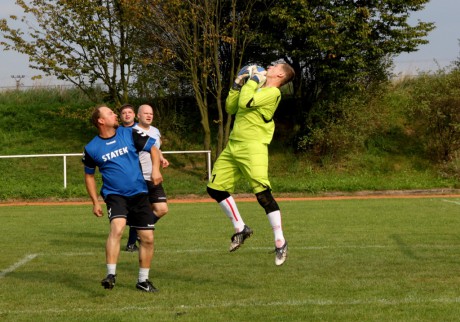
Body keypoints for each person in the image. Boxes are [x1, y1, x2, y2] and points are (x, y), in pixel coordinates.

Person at [206, 61, 295, 266]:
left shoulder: (274, 93)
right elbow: (231, 107)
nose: (269, 67)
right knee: (215, 188)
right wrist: (237, 84)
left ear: (280, 75)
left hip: (253, 147)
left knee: (262, 193)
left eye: (274, 67)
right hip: (234, 145)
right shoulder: (255, 87)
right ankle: (241, 228)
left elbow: (246, 103)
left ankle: (280, 241)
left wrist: (252, 80)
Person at [82, 105, 163, 292]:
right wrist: (95, 202)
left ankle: (143, 281)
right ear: (101, 121)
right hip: (115, 195)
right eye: (110, 113)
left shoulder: (129, 133)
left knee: (148, 238)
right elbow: (89, 176)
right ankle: (110, 275)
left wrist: (156, 169)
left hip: (139, 193)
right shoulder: (91, 148)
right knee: (117, 227)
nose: (115, 115)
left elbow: (153, 149)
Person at [125, 104, 170, 250]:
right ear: (138, 116)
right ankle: (131, 244)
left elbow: (156, 149)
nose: (149, 116)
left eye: (151, 113)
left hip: (154, 177)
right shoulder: (132, 132)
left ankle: (139, 233)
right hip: (139, 178)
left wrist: (161, 158)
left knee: (161, 209)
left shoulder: (155, 131)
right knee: (140, 211)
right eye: (145, 113)